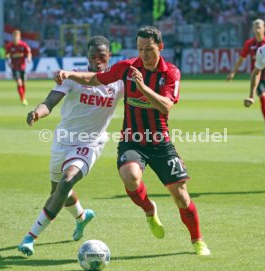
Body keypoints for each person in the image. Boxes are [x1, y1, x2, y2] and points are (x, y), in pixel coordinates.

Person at [55, 26, 211, 256]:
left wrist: (142, 87)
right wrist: (69, 74)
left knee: (181, 196)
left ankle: (197, 240)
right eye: (140, 49)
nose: (144, 54)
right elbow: (96, 78)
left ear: (160, 47)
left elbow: (166, 105)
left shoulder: (171, 73)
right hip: (132, 140)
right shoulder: (128, 67)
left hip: (159, 140)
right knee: (130, 177)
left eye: (148, 49)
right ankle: (149, 209)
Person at [18, 36, 124, 256]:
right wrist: (37, 113)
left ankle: (30, 237)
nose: (97, 61)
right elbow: (49, 103)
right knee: (57, 191)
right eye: (93, 57)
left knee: (66, 182)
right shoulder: (73, 77)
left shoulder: (118, 83)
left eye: (102, 56)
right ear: (87, 57)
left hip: (90, 144)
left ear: (109, 56)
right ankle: (82, 217)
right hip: (62, 141)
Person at [227, 19, 265, 133]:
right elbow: (242, 60)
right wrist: (233, 72)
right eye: (255, 27)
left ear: (263, 28)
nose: (257, 29)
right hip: (261, 77)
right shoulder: (259, 49)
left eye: (259, 27)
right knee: (263, 98)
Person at [244, 21, 265, 134]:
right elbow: (256, 72)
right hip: (263, 81)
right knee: (263, 99)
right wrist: (251, 96)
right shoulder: (263, 51)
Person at [5, 30, 32, 106]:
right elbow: (6, 55)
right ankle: (22, 98)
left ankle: (23, 97)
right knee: (19, 82)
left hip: (23, 67)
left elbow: (29, 52)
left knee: (23, 83)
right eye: (14, 37)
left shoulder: (23, 45)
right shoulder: (9, 46)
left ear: (19, 37)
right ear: (12, 37)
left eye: (17, 37)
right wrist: (8, 62)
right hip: (14, 67)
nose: (15, 39)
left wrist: (29, 58)